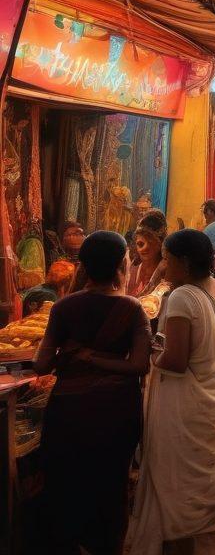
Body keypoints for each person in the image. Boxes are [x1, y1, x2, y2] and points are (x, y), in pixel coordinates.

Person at [129, 229, 215, 555]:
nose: (164, 267)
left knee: (181, 489)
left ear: (182, 261)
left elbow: (177, 360)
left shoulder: (182, 297)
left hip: (189, 404)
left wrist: (152, 352)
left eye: (166, 259)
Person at [34, 231, 150, 554]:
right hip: (115, 412)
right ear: (120, 265)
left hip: (69, 413)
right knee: (111, 487)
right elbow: (140, 364)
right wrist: (104, 359)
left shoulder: (63, 307)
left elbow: (41, 364)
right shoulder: (133, 309)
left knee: (68, 486)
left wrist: (77, 355)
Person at [127, 210, 166, 296]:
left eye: (151, 243)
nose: (145, 248)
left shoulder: (165, 271)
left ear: (160, 244)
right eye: (140, 244)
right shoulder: (133, 267)